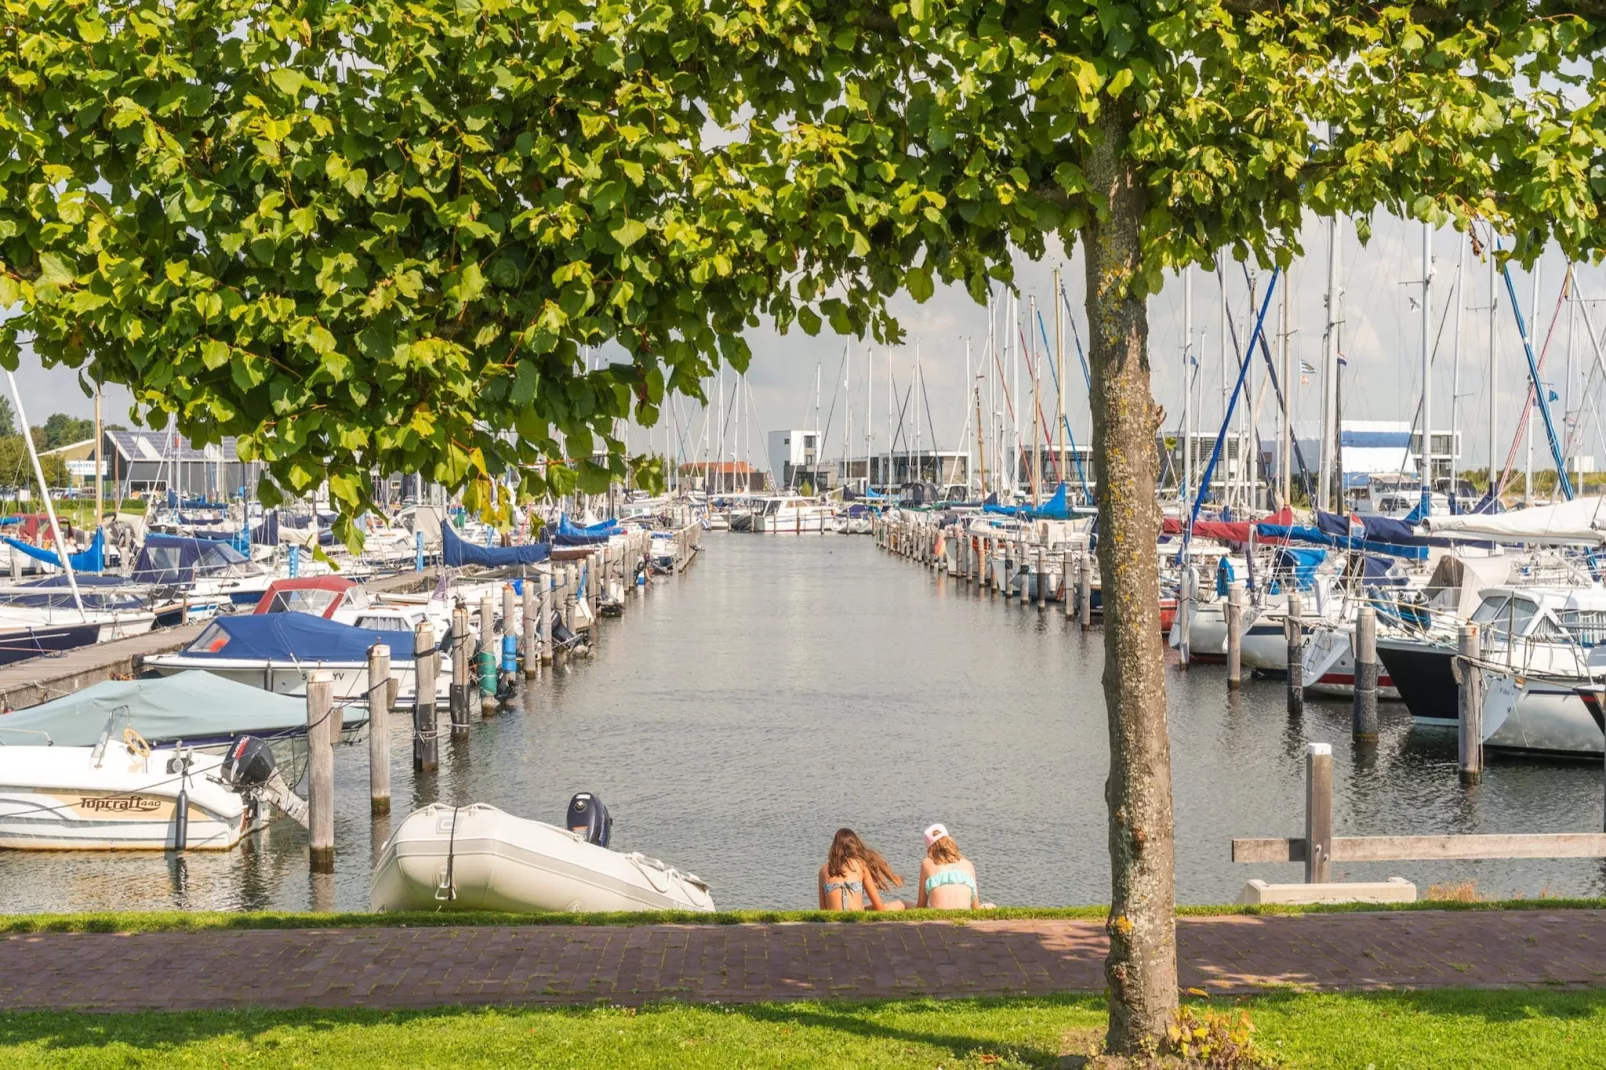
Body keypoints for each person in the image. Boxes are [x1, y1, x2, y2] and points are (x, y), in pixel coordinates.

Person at [818, 828, 907, 911]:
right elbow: (879, 908)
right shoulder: (860, 866)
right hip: (856, 923)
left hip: (833, 926)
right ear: (855, 846)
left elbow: (823, 910)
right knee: (906, 904)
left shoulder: (823, 871)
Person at [917, 823, 992, 910]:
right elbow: (975, 907)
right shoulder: (968, 864)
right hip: (964, 914)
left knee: (906, 904)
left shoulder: (927, 863)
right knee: (990, 906)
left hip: (938, 916)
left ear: (929, 848)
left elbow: (921, 906)